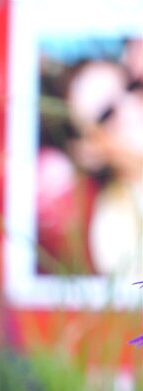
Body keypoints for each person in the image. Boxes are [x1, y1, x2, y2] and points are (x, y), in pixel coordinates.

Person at [65, 53, 143, 281]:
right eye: (107, 112)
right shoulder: (115, 231)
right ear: (88, 151)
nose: (131, 105)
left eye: (131, 86)